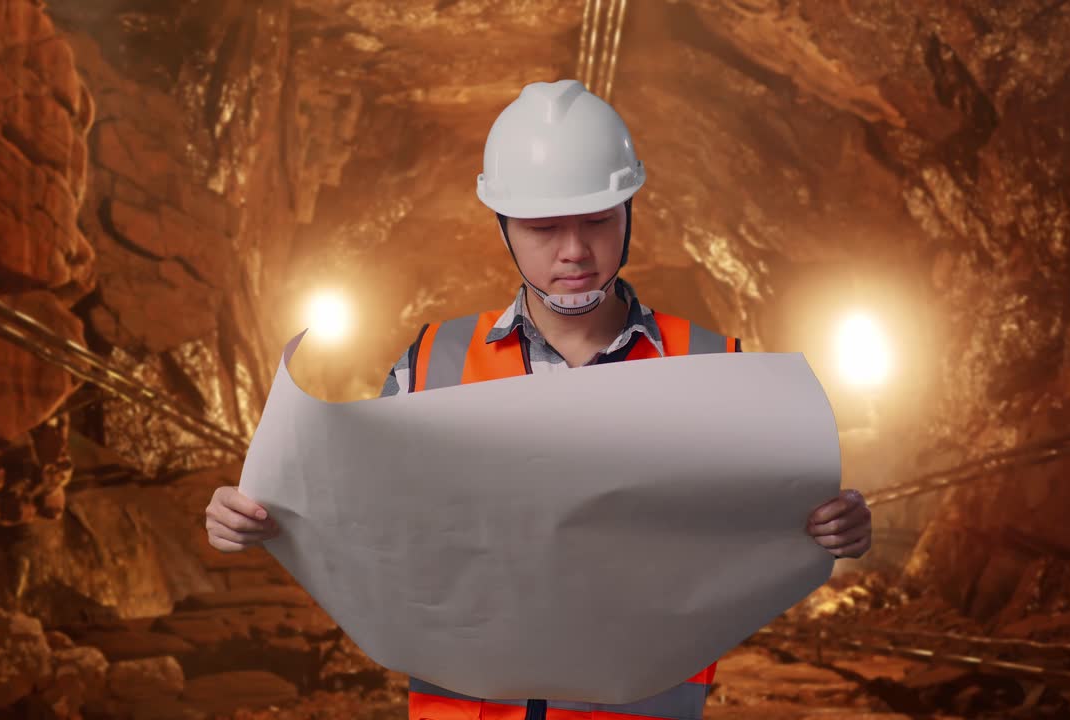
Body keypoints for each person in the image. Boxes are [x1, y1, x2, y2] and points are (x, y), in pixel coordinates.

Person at [205, 79, 873, 720]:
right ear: (503, 225)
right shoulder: (431, 365)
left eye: (597, 220)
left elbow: (764, 529)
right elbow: (365, 527)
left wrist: (826, 532)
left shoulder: (714, 371)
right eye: (543, 228)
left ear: (629, 212)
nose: (574, 252)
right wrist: (266, 521)